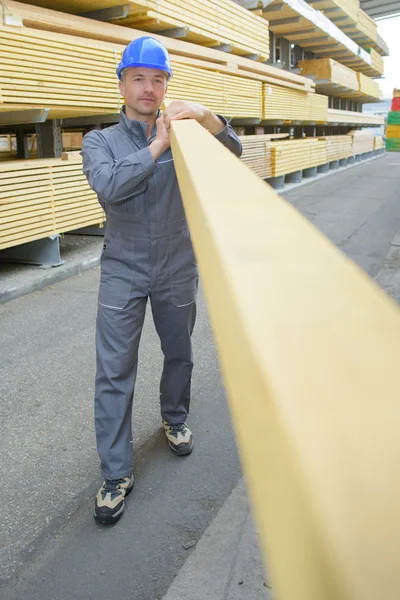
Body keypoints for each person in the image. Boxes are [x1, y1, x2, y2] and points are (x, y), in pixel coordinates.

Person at [81, 36, 242, 524]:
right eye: (139, 78)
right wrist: (158, 144)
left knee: (180, 352)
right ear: (122, 83)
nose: (149, 88)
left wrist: (209, 118)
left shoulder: (189, 135)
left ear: (167, 84)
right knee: (114, 371)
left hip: (176, 263)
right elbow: (109, 185)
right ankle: (115, 472)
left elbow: (232, 155)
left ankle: (175, 420)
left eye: (158, 79)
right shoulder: (99, 142)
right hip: (123, 267)